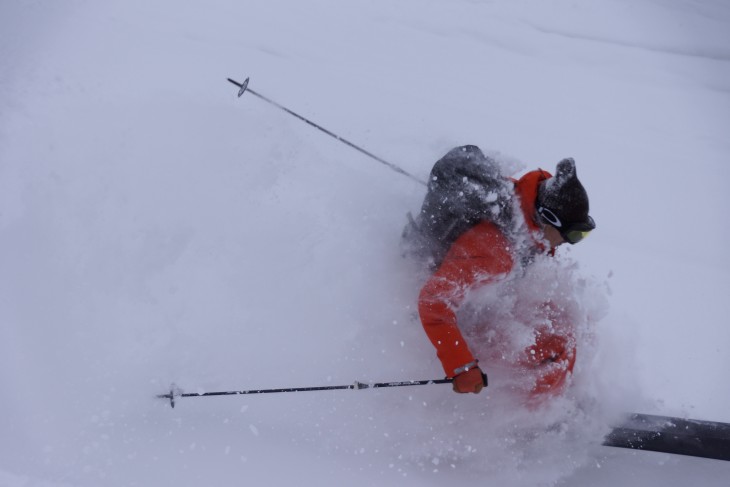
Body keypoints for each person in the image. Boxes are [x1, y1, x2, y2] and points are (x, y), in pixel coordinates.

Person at [416, 153, 595, 397]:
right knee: (552, 348)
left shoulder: (524, 207)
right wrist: (462, 365)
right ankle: (534, 422)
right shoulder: (496, 252)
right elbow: (433, 302)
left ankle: (557, 400)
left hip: (482, 300)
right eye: (574, 235)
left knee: (567, 323)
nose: (570, 242)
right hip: (454, 319)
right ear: (548, 219)